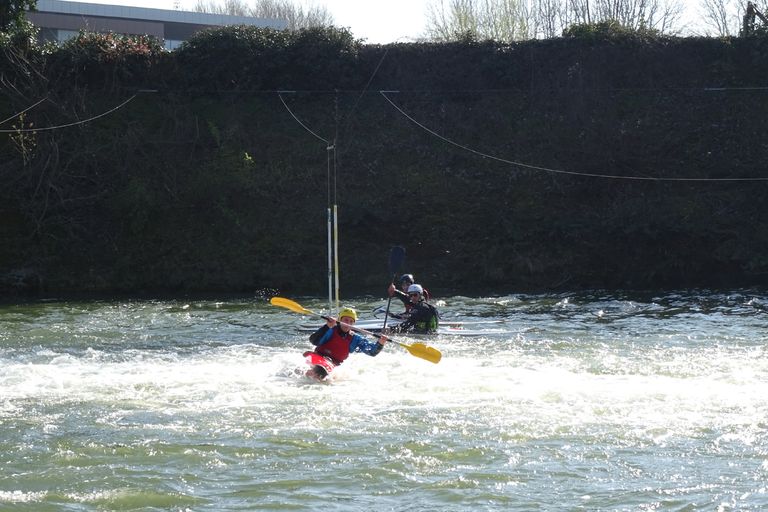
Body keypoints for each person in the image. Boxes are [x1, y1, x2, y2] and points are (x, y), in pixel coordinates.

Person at [306, 307, 388, 380]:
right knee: (319, 371)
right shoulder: (330, 329)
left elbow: (372, 352)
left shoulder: (355, 338)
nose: (348, 323)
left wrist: (380, 343)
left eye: (351, 321)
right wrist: (326, 326)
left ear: (353, 324)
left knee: (320, 372)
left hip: (334, 365)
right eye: (345, 320)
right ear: (340, 320)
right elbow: (314, 341)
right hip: (318, 357)